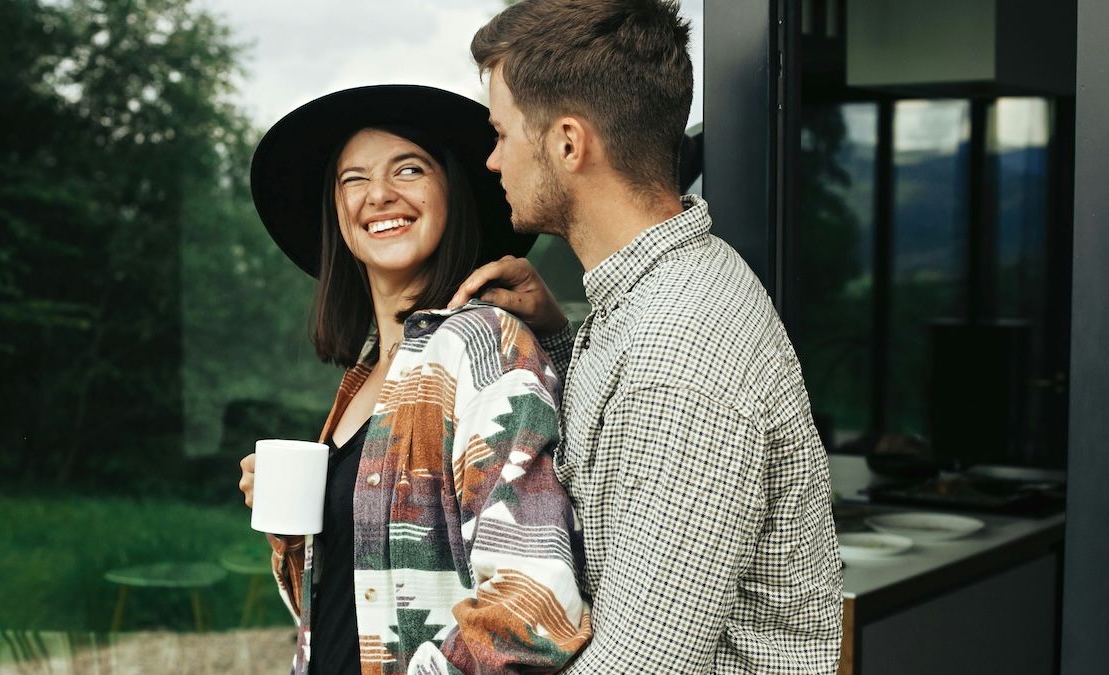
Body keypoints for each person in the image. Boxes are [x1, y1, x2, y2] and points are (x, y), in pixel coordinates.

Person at [447, 1, 844, 672]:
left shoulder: (682, 346)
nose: (492, 160)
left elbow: (643, 662)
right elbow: (624, 444)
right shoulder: (656, 291)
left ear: (569, 144)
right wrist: (560, 337)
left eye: (502, 133)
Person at [238, 84, 591, 675]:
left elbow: (536, 611)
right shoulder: (368, 372)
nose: (379, 194)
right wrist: (293, 528)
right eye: (353, 179)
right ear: (336, 215)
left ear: (453, 192)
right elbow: (349, 611)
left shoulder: (481, 345)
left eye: (408, 169)